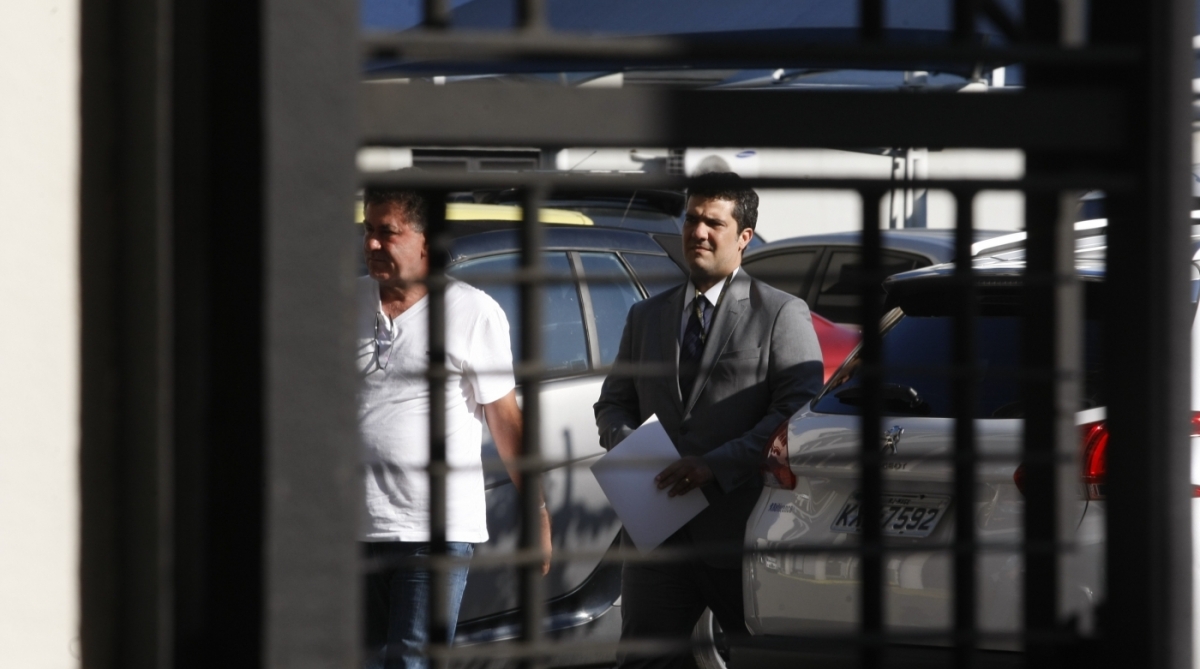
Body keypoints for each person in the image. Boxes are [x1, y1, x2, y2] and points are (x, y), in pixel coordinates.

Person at [594, 173, 825, 669]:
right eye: (692, 218)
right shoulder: (646, 317)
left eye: (713, 223)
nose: (698, 231)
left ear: (743, 236)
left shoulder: (782, 313)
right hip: (657, 529)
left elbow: (794, 413)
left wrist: (714, 465)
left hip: (741, 529)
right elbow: (612, 404)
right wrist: (634, 449)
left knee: (757, 658)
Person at [357, 188, 552, 669]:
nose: (373, 244)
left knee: (412, 661)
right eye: (369, 231)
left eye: (388, 232)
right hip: (357, 527)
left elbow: (505, 419)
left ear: (425, 241)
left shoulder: (471, 311)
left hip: (435, 532)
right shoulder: (345, 303)